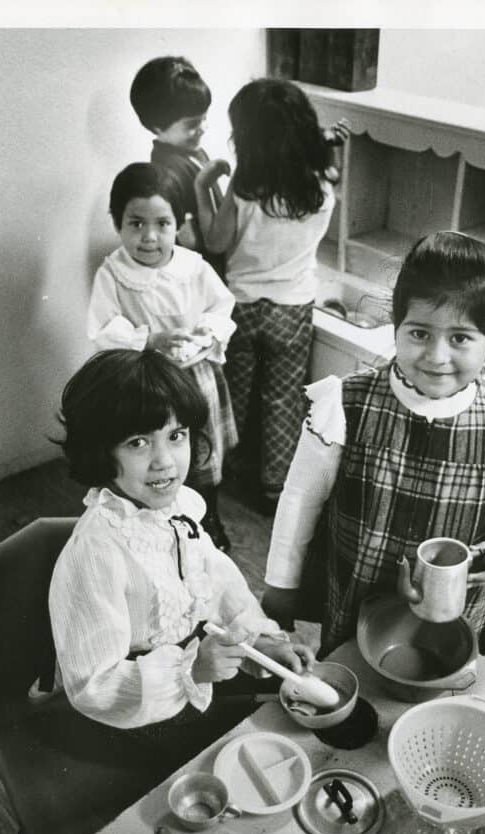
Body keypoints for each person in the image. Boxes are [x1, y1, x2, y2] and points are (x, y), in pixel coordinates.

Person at [262, 231, 485, 657]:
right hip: (358, 600)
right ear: (396, 326)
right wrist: (281, 582)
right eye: (419, 333)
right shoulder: (344, 405)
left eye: (460, 338)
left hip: (453, 610)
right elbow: (300, 497)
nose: (437, 357)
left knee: (440, 689)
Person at [49, 349, 314, 772]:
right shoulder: (96, 554)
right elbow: (92, 686)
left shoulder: (177, 512)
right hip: (132, 714)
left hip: (194, 670)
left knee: (280, 735)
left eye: (176, 435)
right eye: (139, 442)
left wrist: (256, 643)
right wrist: (191, 670)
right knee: (236, 767)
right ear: (100, 452)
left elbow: (219, 583)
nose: (165, 461)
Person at [196, 78, 343, 515]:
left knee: (233, 396)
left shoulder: (245, 190)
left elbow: (216, 241)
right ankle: (276, 487)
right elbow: (327, 167)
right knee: (283, 400)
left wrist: (202, 186)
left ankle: (216, 475)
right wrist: (330, 147)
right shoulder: (323, 190)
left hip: (241, 306)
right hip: (293, 308)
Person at [87, 162, 237, 550]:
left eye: (163, 224)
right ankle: (150, 525)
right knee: (151, 458)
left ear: (179, 223)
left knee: (199, 454)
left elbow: (222, 305)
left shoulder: (192, 266)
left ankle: (209, 521)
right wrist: (150, 339)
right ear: (117, 222)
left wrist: (205, 331)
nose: (149, 237)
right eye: (136, 224)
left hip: (193, 376)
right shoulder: (113, 274)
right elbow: (103, 329)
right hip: (143, 383)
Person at [129, 55, 228, 276]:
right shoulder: (166, 171)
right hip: (205, 268)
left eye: (204, 118)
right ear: (157, 126)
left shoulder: (190, 149)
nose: (203, 128)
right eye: (192, 124)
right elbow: (184, 238)